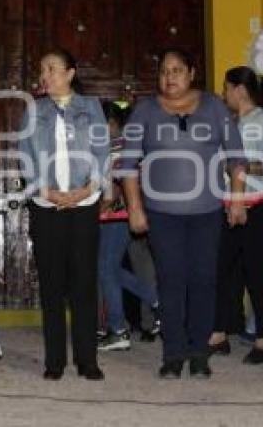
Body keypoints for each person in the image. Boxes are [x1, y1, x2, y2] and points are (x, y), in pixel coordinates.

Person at [121, 49, 246, 379]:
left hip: (206, 212)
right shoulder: (144, 111)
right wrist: (135, 208)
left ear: (192, 73)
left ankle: (199, 352)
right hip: (162, 214)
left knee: (204, 281)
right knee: (171, 282)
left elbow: (236, 157)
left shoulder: (215, 107)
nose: (169, 77)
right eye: (164, 71)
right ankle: (173, 352)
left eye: (177, 70)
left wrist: (237, 199)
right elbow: (128, 164)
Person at [18, 50, 109, 380]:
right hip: (47, 206)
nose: (45, 75)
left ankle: (88, 360)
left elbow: (102, 154)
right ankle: (54, 361)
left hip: (84, 205)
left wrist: (85, 191)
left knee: (84, 284)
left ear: (70, 73)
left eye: (52, 69)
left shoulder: (92, 108)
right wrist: (47, 192)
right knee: (52, 286)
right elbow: (24, 158)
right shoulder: (32, 111)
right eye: (42, 69)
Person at [211, 66, 263, 365]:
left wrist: (233, 166)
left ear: (240, 89)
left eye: (227, 88)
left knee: (256, 273)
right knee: (221, 271)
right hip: (227, 204)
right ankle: (219, 331)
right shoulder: (234, 121)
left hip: (255, 205)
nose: (224, 94)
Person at [96, 101, 158, 352]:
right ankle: (156, 301)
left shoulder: (117, 146)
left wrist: (100, 209)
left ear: (110, 123)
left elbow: (116, 185)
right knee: (109, 269)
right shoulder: (120, 145)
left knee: (106, 268)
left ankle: (118, 328)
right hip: (120, 214)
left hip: (117, 215)